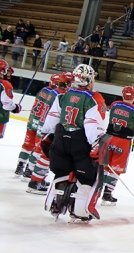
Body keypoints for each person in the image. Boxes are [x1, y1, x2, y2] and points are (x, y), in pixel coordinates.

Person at [42, 64, 107, 222]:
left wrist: (47, 136)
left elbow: (50, 122)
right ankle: (79, 211)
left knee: (61, 172)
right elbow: (92, 124)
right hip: (80, 143)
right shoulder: (94, 98)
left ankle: (55, 203)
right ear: (87, 80)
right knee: (86, 177)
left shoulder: (62, 96)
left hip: (60, 139)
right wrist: (97, 143)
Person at [23, 72, 74, 194]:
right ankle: (35, 182)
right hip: (55, 130)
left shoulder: (52, 92)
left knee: (42, 153)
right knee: (46, 156)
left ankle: (32, 175)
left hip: (45, 126)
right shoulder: (64, 96)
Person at [14, 73, 69, 179]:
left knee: (27, 145)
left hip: (34, 120)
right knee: (40, 149)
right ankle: (30, 170)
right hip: (44, 124)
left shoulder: (44, 91)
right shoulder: (59, 95)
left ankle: (20, 166)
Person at [98, 86, 134, 206]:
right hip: (123, 141)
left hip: (108, 138)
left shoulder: (114, 104)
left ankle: (96, 189)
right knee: (116, 168)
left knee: (104, 165)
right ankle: (107, 193)